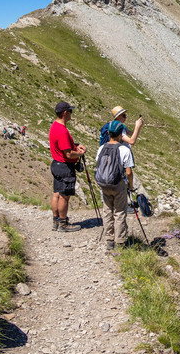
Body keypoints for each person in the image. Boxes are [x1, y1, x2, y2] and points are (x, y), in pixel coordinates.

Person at [94, 122, 136, 250]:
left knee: (107, 211)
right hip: (118, 184)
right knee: (119, 212)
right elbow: (128, 172)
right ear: (120, 134)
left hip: (104, 184)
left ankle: (109, 240)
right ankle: (120, 241)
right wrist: (131, 185)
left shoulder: (101, 148)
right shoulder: (124, 150)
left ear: (108, 133)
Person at [48, 101, 86, 232]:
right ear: (65, 113)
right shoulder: (62, 131)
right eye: (70, 111)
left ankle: (56, 220)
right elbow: (69, 154)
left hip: (56, 164)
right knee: (64, 196)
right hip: (65, 166)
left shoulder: (54, 126)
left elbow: (63, 146)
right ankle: (63, 223)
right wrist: (79, 152)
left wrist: (75, 145)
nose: (71, 114)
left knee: (56, 193)